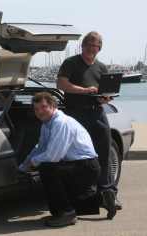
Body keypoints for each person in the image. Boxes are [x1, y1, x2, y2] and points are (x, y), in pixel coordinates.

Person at [19, 92, 116, 227]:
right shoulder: (47, 124)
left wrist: (33, 162)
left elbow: (53, 156)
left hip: (86, 166)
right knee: (67, 196)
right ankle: (101, 199)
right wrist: (23, 167)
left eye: (43, 107)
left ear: (53, 106)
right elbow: (40, 148)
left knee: (47, 169)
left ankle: (67, 214)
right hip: (77, 165)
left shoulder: (60, 123)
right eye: (36, 109)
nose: (40, 111)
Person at [56, 31, 121, 209]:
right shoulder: (71, 63)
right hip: (76, 114)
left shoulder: (101, 67)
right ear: (82, 46)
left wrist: (105, 98)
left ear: (99, 48)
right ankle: (82, 196)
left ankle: (109, 194)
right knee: (77, 156)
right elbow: (61, 84)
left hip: (97, 112)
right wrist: (84, 90)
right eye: (89, 45)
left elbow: (105, 91)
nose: (92, 48)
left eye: (96, 46)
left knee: (104, 153)